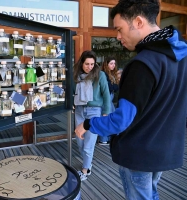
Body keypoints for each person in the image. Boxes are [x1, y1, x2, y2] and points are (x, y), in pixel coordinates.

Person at [75, 0, 187, 199]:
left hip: (140, 151)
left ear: (138, 22)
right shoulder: (182, 57)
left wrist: (88, 123)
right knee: (150, 194)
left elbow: (121, 121)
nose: (118, 37)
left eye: (120, 29)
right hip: (165, 148)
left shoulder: (142, 64)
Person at [73, 50, 110, 181]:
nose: (89, 67)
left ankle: (86, 169)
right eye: (87, 64)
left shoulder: (100, 75)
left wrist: (106, 112)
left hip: (94, 111)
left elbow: (106, 94)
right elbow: (72, 91)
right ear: (81, 63)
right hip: (79, 110)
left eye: (92, 64)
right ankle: (87, 163)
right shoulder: (76, 75)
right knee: (80, 141)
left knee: (89, 144)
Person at [98, 57, 119, 145]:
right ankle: (103, 139)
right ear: (106, 64)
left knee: (110, 117)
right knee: (106, 117)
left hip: (110, 97)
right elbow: (110, 87)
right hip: (105, 98)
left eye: (114, 63)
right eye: (111, 63)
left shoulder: (112, 74)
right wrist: (115, 86)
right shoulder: (103, 74)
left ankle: (108, 138)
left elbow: (116, 88)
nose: (113, 65)